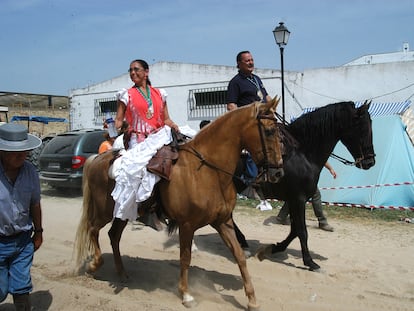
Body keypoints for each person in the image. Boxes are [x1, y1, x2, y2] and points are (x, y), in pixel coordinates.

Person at [111, 59, 179, 222]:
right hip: (138, 140)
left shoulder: (159, 94)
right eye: (130, 70)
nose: (133, 73)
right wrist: (116, 127)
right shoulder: (126, 95)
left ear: (146, 72)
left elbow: (166, 119)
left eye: (136, 69)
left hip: (159, 136)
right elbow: (118, 120)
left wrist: (175, 125)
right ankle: (145, 209)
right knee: (141, 170)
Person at [0, 123, 43, 310]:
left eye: (25, 151)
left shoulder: (30, 172)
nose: (22, 156)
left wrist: (39, 232)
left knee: (21, 287)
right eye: (15, 152)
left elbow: (35, 203)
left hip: (22, 242)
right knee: (0, 291)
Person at [226, 50, 272, 210]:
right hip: (249, 124)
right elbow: (231, 106)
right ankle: (251, 187)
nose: (251, 62)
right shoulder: (235, 82)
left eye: (252, 59)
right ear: (239, 63)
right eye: (247, 60)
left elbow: (266, 97)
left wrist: (272, 107)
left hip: (263, 122)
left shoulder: (257, 79)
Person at [273, 162, 337, 232]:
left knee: (295, 196)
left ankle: (281, 216)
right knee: (315, 195)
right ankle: (322, 222)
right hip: (304, 174)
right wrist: (330, 169)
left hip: (296, 173)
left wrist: (330, 169)